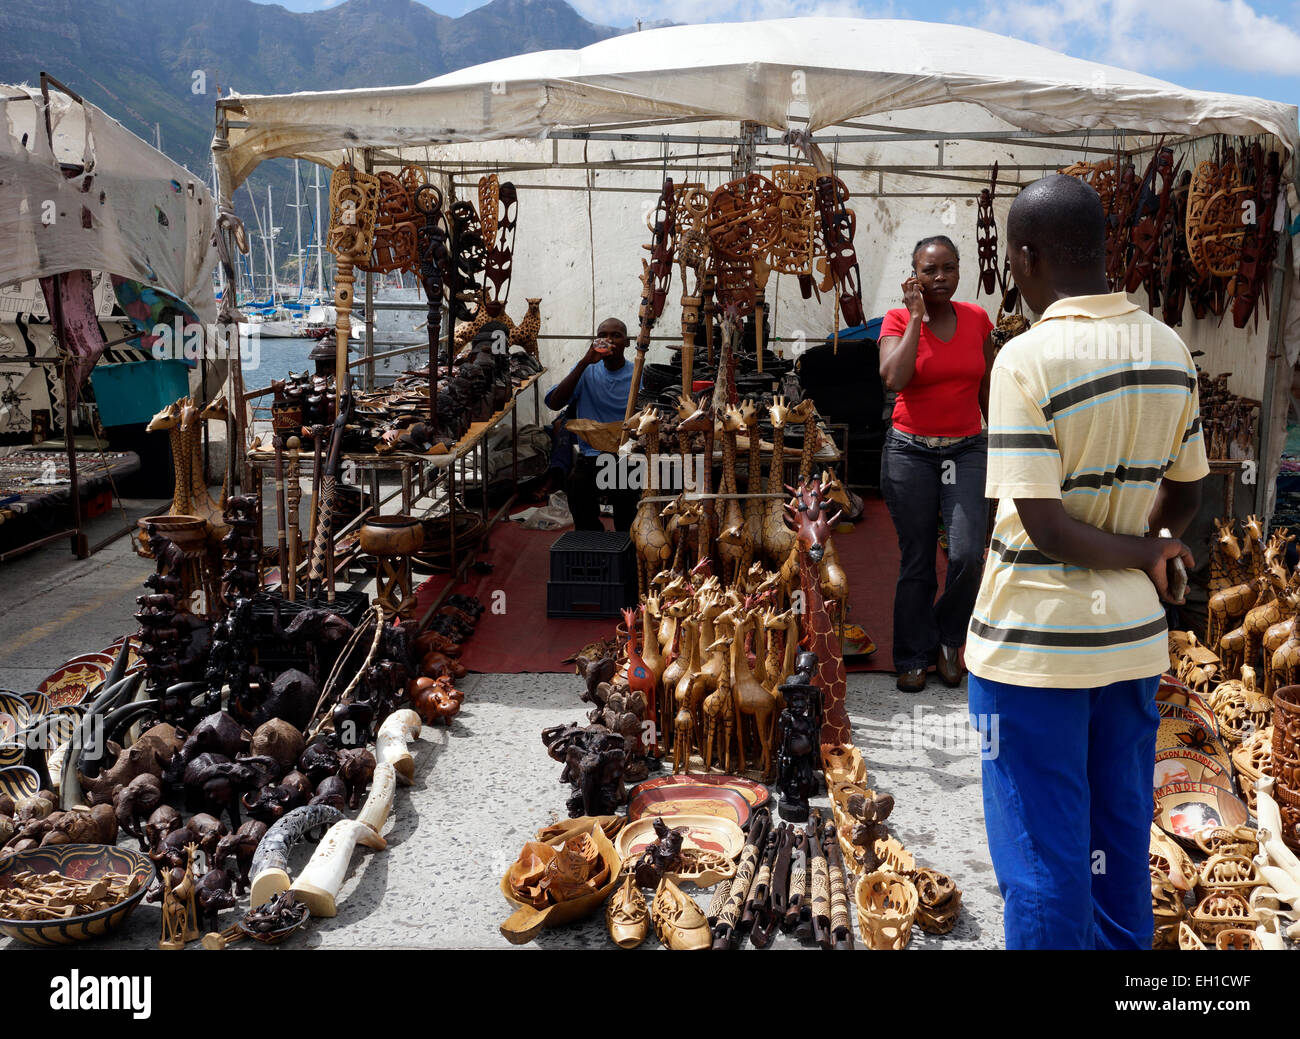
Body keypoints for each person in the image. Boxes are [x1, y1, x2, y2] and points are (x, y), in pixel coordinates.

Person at [964, 174, 1207, 950]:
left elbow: (1042, 524)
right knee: (1116, 843)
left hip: (1031, 649)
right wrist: (1151, 548)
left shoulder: (1025, 360)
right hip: (1130, 643)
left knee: (1041, 854)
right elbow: (1188, 494)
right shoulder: (1170, 347)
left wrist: (1139, 548)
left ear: (1029, 256)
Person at [878, 235, 995, 692]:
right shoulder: (896, 320)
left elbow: (986, 388)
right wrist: (915, 320)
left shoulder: (978, 319)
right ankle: (911, 654)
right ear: (914, 277)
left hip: (966, 449)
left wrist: (1002, 441)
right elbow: (894, 378)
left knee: (967, 553)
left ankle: (949, 638)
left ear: (960, 271)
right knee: (918, 558)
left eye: (948, 268)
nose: (940, 277)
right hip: (911, 450)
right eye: (930, 271)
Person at [544, 317, 640, 530]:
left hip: (626, 455)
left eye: (616, 335)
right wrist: (584, 362)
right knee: (577, 488)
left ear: (627, 342)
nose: (608, 340)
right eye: (603, 335)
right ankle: (592, 544)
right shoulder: (586, 370)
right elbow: (554, 402)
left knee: (627, 509)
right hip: (591, 456)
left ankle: (624, 548)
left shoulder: (638, 373)